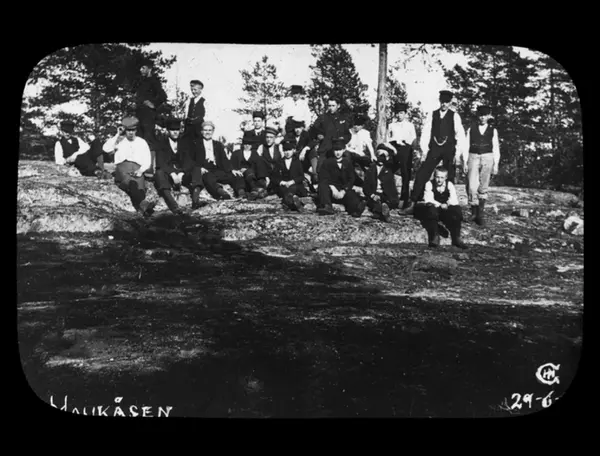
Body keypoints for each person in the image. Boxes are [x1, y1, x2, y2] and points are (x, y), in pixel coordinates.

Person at [399, 90, 467, 215]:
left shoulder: (455, 116)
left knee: (449, 177)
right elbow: (426, 132)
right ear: (439, 101)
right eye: (442, 102)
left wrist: (457, 154)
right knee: (422, 174)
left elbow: (460, 136)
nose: (444, 104)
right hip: (434, 148)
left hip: (449, 149)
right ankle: (413, 204)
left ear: (450, 102)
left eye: (447, 102)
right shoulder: (433, 114)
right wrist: (425, 150)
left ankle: (448, 207)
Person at [102, 116, 156, 217]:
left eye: (133, 130)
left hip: (137, 169)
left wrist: (141, 170)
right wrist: (117, 134)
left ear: (136, 130)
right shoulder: (120, 141)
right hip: (122, 169)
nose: (131, 133)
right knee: (131, 183)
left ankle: (143, 210)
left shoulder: (142, 142)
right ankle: (145, 206)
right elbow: (106, 148)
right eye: (128, 130)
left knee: (140, 188)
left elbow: (147, 160)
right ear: (125, 130)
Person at [153, 118, 204, 214]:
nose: (175, 132)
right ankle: (174, 206)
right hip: (169, 175)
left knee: (196, 169)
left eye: (177, 130)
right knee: (159, 173)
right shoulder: (161, 143)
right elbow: (161, 163)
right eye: (172, 130)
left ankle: (195, 200)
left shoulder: (184, 142)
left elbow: (189, 161)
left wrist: (181, 172)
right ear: (168, 131)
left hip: (182, 174)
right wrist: (172, 173)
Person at [413, 167, 467, 249]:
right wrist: (440, 205)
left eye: (442, 177)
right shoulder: (429, 184)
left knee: (457, 210)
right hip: (435, 208)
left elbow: (454, 200)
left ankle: (456, 238)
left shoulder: (449, 184)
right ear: (434, 176)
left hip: (445, 208)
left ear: (446, 178)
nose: (439, 180)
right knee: (430, 208)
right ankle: (434, 236)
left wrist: (447, 204)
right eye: (437, 177)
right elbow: (428, 199)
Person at [464, 105, 500, 226]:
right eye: (480, 115)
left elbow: (496, 148)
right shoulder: (471, 129)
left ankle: (480, 214)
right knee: (471, 186)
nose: (482, 118)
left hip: (488, 157)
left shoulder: (493, 130)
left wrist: (496, 164)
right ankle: (473, 212)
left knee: (483, 186)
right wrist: (465, 161)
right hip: (473, 156)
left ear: (489, 116)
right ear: (477, 116)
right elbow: (466, 145)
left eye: (485, 115)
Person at [316, 137, 366, 217]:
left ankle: (355, 209)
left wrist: (344, 191)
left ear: (343, 150)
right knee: (322, 187)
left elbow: (351, 179)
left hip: (343, 190)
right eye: (336, 150)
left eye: (340, 150)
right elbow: (323, 178)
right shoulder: (327, 162)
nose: (338, 153)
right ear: (333, 151)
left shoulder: (347, 163)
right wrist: (332, 188)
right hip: (331, 190)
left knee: (351, 195)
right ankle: (327, 206)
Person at [195, 121, 244, 200]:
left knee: (236, 175)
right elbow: (192, 159)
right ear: (201, 131)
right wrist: (199, 168)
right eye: (205, 130)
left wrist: (232, 170)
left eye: (210, 130)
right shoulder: (196, 144)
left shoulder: (218, 144)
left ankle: (241, 193)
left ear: (213, 131)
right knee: (207, 178)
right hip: (206, 170)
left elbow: (224, 159)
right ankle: (222, 193)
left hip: (217, 169)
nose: (207, 132)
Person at [133, 58, 168, 153]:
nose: (141, 70)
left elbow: (163, 96)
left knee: (149, 138)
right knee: (139, 138)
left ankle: (152, 161)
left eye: (143, 68)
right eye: (140, 68)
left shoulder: (154, 81)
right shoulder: (140, 81)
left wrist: (153, 104)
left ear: (149, 69)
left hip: (148, 115)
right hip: (139, 113)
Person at [387, 102, 417, 209]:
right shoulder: (391, 125)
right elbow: (388, 139)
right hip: (394, 147)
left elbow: (413, 139)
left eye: (401, 113)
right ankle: (391, 197)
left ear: (405, 114)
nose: (399, 115)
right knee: (388, 170)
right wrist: (392, 148)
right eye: (397, 113)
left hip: (405, 148)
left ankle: (404, 199)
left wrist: (409, 148)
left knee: (405, 173)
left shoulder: (410, 125)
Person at [363, 144, 401, 223]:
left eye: (384, 156)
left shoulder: (389, 168)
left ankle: (380, 211)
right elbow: (365, 187)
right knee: (374, 203)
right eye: (379, 156)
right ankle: (384, 213)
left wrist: (393, 149)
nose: (381, 159)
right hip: (374, 194)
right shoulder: (371, 169)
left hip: (386, 195)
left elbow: (397, 160)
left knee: (392, 201)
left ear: (387, 158)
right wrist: (372, 195)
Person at [272, 139, 307, 212]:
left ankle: (288, 203)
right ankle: (296, 203)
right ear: (283, 151)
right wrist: (282, 182)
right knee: (284, 189)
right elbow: (274, 177)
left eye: (289, 150)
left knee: (292, 189)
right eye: (285, 151)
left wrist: (292, 181)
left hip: (295, 185)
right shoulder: (279, 162)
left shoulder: (297, 162)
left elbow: (301, 176)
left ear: (293, 151)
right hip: (284, 186)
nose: (287, 152)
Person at [345, 114, 376, 184]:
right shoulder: (348, 132)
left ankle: (371, 183)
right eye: (355, 124)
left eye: (359, 125)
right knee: (347, 159)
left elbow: (369, 145)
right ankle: (352, 180)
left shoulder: (365, 133)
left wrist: (372, 155)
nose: (356, 126)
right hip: (350, 154)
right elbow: (345, 147)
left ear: (362, 126)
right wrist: (356, 152)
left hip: (360, 155)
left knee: (372, 164)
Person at [256, 127, 283, 193]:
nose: (268, 139)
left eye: (271, 137)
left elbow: (283, 159)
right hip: (265, 173)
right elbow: (258, 162)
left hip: (277, 172)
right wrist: (265, 176)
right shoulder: (261, 147)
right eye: (267, 137)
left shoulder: (279, 146)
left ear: (275, 138)